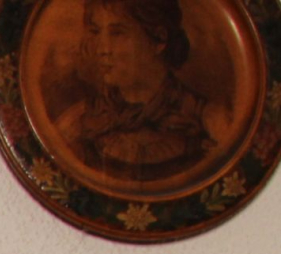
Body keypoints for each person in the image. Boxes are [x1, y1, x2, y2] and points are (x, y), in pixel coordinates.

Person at [52, 0, 235, 185]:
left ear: (159, 40)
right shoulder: (77, 124)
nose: (102, 49)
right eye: (96, 32)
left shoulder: (214, 124)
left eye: (117, 33)